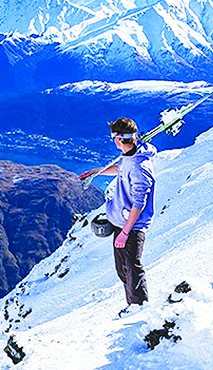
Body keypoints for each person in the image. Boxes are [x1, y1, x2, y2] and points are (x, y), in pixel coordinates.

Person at [79, 118, 156, 313]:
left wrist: (125, 232)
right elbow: (121, 168)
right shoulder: (129, 157)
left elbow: (139, 203)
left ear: (118, 139)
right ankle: (133, 306)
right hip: (121, 223)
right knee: (123, 269)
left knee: (132, 267)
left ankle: (140, 308)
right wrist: (97, 172)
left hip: (131, 227)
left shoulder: (140, 167)